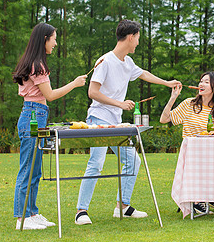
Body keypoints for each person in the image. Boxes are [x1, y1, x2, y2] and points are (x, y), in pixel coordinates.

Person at [75, 19, 181, 225]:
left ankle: (122, 206)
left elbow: (144, 74)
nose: (138, 43)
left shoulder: (128, 63)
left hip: (116, 122)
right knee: (96, 164)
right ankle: (81, 211)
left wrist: (167, 83)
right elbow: (92, 92)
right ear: (131, 37)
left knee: (133, 160)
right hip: (98, 118)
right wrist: (119, 103)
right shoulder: (105, 61)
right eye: (138, 38)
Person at [12, 23, 87, 230]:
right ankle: (22, 218)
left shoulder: (34, 63)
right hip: (33, 116)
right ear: (45, 39)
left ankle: (31, 213)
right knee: (28, 169)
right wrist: (74, 83)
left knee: (35, 170)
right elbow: (51, 95)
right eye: (54, 38)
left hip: (35, 115)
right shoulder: (38, 66)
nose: (56, 42)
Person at [160, 71, 214, 214]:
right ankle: (197, 200)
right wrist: (173, 98)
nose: (201, 84)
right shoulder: (189, 104)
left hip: (211, 151)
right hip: (191, 151)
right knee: (202, 163)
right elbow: (164, 119)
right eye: (201, 81)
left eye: (206, 82)